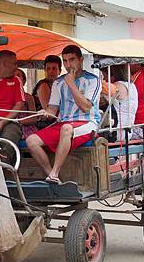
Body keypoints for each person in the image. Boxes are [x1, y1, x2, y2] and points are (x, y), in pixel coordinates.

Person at [26, 45, 102, 184]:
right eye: (65, 61)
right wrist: (45, 112)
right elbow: (52, 110)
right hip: (64, 124)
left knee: (66, 128)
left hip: (87, 123)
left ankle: (55, 173)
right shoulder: (58, 83)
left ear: (80, 60)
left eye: (72, 60)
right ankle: (52, 176)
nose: (68, 65)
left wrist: (71, 84)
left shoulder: (93, 80)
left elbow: (85, 107)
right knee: (31, 141)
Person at [102, 65, 138, 142]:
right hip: (127, 131)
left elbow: (101, 98)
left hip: (116, 132)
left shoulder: (118, 86)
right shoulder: (132, 85)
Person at [32, 55, 62, 129]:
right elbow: (48, 112)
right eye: (48, 68)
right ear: (44, 70)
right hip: (43, 124)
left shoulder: (59, 85)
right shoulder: (43, 85)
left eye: (54, 68)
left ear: (60, 71)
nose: (51, 71)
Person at [14, 68, 38, 139]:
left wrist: (18, 121)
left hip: (27, 129)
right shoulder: (6, 97)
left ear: (24, 81)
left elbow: (34, 118)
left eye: (18, 76)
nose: (16, 79)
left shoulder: (28, 97)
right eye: (13, 77)